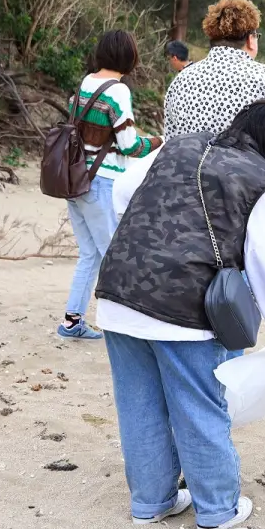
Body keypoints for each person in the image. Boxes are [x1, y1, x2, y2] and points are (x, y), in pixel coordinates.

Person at [94, 100, 265, 529]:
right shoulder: (258, 181)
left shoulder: (174, 147)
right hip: (183, 307)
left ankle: (151, 500)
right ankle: (217, 509)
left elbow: (122, 193)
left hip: (119, 290)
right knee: (199, 406)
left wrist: (150, 242)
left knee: (137, 403)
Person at [58, 30, 161, 340]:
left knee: (90, 254)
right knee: (115, 255)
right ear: (128, 58)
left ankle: (72, 321)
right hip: (101, 182)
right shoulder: (117, 91)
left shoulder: (84, 84)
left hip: (74, 179)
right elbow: (129, 146)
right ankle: (127, 329)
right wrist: (160, 141)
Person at [163, 0, 265, 196]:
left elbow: (170, 143)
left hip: (188, 197)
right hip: (243, 197)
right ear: (251, 39)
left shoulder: (181, 80)